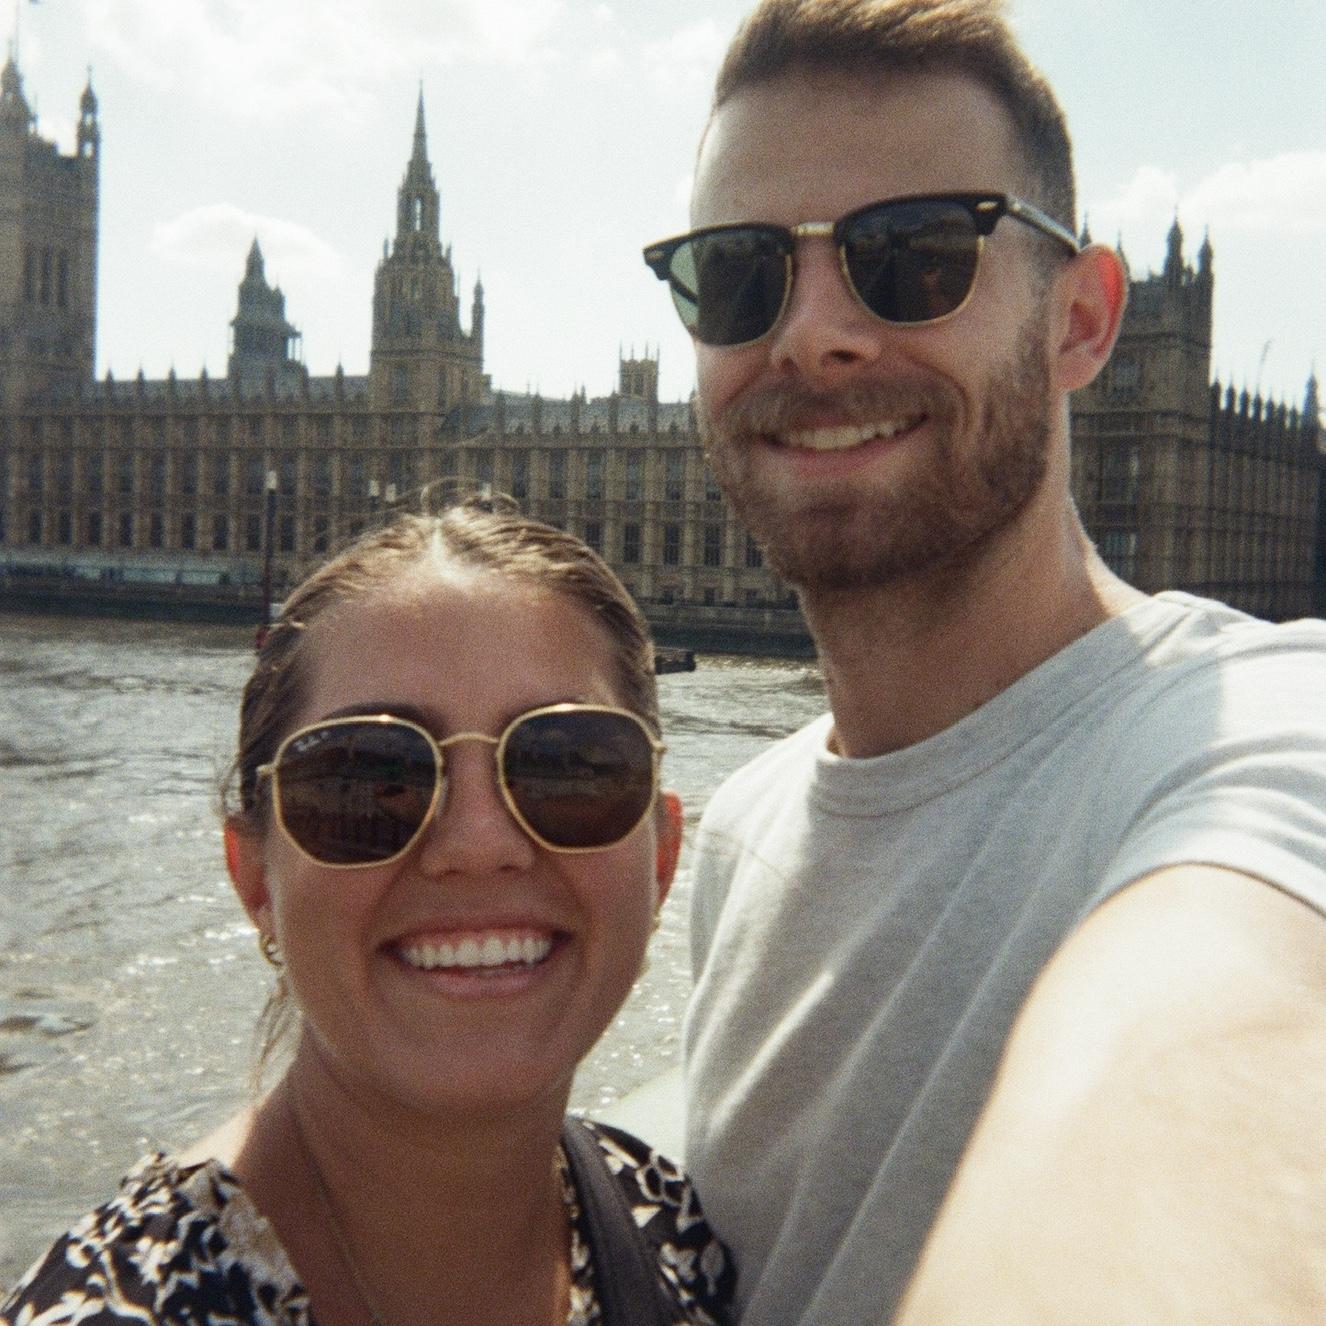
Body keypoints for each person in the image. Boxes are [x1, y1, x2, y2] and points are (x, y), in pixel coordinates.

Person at [641, 1, 1326, 1321]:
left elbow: (1221, 1057)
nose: (814, 336)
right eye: (739, 273)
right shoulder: (735, 835)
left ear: (1081, 320)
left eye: (912, 257)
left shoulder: (1261, 735)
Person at [1, 499, 734, 1326]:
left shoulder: (672, 1236)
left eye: (569, 768)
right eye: (365, 779)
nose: (476, 844)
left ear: (663, 857)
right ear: (255, 880)